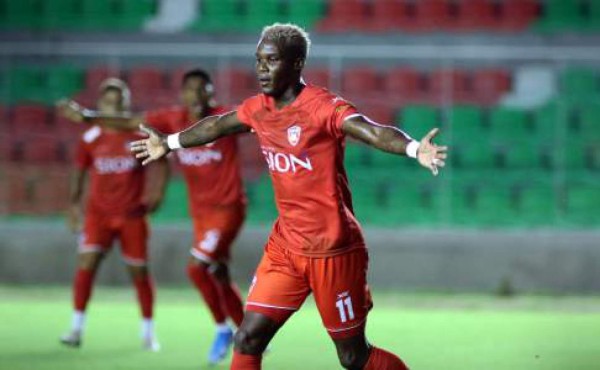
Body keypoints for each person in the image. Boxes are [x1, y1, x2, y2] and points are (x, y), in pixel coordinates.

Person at [133, 23, 447, 370]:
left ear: (297, 64)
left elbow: (371, 131)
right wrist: (168, 143)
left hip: (333, 249)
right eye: (258, 61)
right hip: (286, 247)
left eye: (271, 61)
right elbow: (217, 125)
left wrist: (415, 148)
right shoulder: (258, 109)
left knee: (353, 357)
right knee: (248, 338)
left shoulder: (322, 107)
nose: (262, 69)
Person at [58, 69, 246, 364]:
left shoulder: (222, 117)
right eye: (190, 89)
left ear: (211, 94)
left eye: (202, 90)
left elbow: (255, 122)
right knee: (217, 271)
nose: (196, 96)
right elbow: (130, 124)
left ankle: (222, 330)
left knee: (196, 268)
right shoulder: (171, 119)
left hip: (227, 208)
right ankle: (247, 331)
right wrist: (87, 116)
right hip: (198, 213)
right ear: (182, 93)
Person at [60, 78, 168, 352]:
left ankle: (147, 333)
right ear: (100, 104)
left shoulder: (138, 135)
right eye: (109, 100)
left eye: (120, 100)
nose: (115, 105)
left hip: (132, 215)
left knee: (139, 272)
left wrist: (157, 194)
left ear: (127, 103)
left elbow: (163, 160)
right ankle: (75, 328)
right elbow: (79, 170)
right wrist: (73, 205)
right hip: (98, 215)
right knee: (86, 263)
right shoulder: (90, 138)